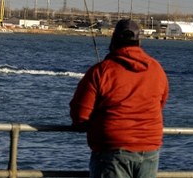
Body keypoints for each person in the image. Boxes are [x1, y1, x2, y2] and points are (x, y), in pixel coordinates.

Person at [70, 19, 169, 178]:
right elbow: (160, 103)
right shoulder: (157, 69)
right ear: (139, 41)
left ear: (113, 39)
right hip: (149, 149)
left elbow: (80, 115)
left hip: (111, 151)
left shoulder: (100, 71)